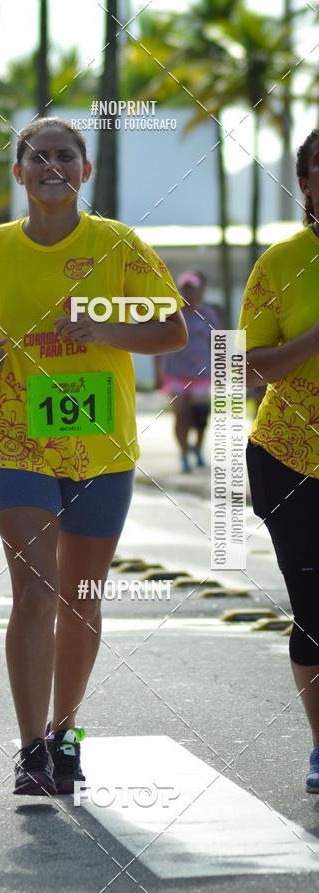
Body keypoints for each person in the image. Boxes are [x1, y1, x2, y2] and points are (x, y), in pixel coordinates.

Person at [0, 117, 187, 795]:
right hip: (12, 440)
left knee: (81, 597)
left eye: (66, 156)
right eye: (39, 156)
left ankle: (64, 732)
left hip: (100, 444)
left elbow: (173, 329)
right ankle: (29, 750)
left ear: (85, 170)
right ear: (19, 172)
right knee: (35, 590)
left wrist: (107, 329)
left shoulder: (119, 245)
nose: (53, 166)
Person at [239, 126, 319, 794]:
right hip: (292, 460)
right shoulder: (282, 262)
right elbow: (248, 366)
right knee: (316, 611)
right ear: (305, 183)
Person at [156, 271, 222, 473]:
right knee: (181, 414)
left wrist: (221, 370)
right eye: (184, 289)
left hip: (201, 374)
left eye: (192, 289)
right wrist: (157, 374)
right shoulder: (171, 313)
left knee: (200, 414)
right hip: (175, 373)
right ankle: (184, 453)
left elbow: (217, 342)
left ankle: (198, 448)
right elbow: (158, 344)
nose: (188, 293)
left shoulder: (208, 314)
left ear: (199, 291)